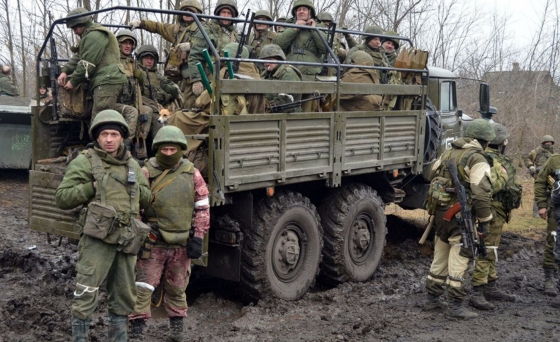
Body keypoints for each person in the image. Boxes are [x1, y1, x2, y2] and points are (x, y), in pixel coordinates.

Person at [55, 110, 151, 341]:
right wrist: (91, 188)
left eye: (114, 134)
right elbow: (62, 198)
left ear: (122, 137)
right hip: (96, 242)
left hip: (126, 241)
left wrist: (140, 189)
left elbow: (147, 198)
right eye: (105, 134)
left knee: (123, 297)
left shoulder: (133, 165)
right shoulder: (85, 161)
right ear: (97, 137)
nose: (109, 139)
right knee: (86, 294)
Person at [128, 126, 209, 342]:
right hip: (153, 241)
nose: (169, 153)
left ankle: (177, 331)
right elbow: (135, 206)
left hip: (182, 243)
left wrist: (199, 237)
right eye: (165, 149)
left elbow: (202, 207)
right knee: (143, 287)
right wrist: (140, 233)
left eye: (174, 150)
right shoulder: (146, 172)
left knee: (177, 288)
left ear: (181, 149)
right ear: (158, 149)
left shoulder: (193, 173)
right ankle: (136, 330)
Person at [423, 119, 495, 320]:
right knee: (461, 257)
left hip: (440, 215)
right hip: (460, 217)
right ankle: (455, 306)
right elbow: (481, 194)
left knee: (440, 256)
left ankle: (432, 299)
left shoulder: (448, 152)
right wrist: (485, 219)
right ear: (486, 141)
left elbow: (430, 174)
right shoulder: (477, 158)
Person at [469, 123, 518, 310]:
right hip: (491, 211)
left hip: (499, 211)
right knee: (486, 249)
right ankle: (478, 291)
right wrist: (503, 178)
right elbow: (486, 189)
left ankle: (491, 284)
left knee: (492, 249)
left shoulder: (493, 159)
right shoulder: (488, 161)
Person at [129, 0, 204, 109]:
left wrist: (192, 46)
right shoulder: (177, 30)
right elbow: (159, 27)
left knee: (193, 106)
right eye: (185, 10)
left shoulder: (204, 30)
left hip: (197, 75)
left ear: (198, 13)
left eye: (191, 11)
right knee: (181, 104)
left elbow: (212, 46)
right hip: (179, 75)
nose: (188, 13)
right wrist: (141, 23)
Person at [57, 7, 126, 119]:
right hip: (105, 80)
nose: (74, 31)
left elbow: (87, 64)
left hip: (107, 80)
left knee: (100, 119)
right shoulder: (89, 36)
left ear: (82, 23)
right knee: (99, 116)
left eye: (75, 27)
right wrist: (65, 71)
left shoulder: (94, 35)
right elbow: (79, 56)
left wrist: (73, 81)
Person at [187, 0, 239, 98]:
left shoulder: (235, 34)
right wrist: (196, 80)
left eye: (229, 13)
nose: (226, 15)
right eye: (223, 12)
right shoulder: (208, 29)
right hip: (210, 79)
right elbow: (195, 56)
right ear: (218, 13)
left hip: (231, 79)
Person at [273, 0, 327, 82]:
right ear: (295, 13)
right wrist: (295, 28)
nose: (301, 12)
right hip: (289, 72)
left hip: (311, 74)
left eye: (304, 9)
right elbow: (277, 45)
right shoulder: (287, 26)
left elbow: (326, 49)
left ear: (310, 12)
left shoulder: (319, 27)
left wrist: (314, 30)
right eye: (299, 10)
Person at [136, 44, 180, 144]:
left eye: (152, 58)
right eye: (146, 58)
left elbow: (173, 89)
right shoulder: (137, 73)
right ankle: (149, 145)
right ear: (140, 59)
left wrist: (167, 92)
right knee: (156, 119)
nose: (149, 61)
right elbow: (136, 94)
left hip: (160, 106)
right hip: (144, 105)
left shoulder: (158, 75)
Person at [534, 148, 560, 296]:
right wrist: (542, 205)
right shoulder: (555, 160)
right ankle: (549, 278)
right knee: (554, 240)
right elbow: (540, 181)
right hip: (556, 209)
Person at [114, 29, 141, 154]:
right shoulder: (112, 60)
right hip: (112, 102)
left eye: (130, 43)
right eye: (125, 43)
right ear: (118, 44)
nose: (128, 46)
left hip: (128, 101)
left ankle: (140, 145)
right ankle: (125, 148)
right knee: (133, 112)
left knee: (147, 111)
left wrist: (140, 75)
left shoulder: (132, 62)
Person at [259, 44, 302, 113]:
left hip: (287, 115)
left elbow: (286, 99)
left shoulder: (288, 73)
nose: (266, 64)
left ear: (279, 59)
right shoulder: (265, 73)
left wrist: (266, 107)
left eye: (270, 60)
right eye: (265, 60)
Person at [526, 135, 555, 217]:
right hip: (539, 176)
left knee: (551, 193)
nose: (549, 144)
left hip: (551, 177)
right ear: (543, 142)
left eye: (550, 142)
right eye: (547, 142)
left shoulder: (554, 152)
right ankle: (536, 213)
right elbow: (527, 158)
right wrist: (531, 166)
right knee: (539, 194)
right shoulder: (536, 151)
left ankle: (549, 211)